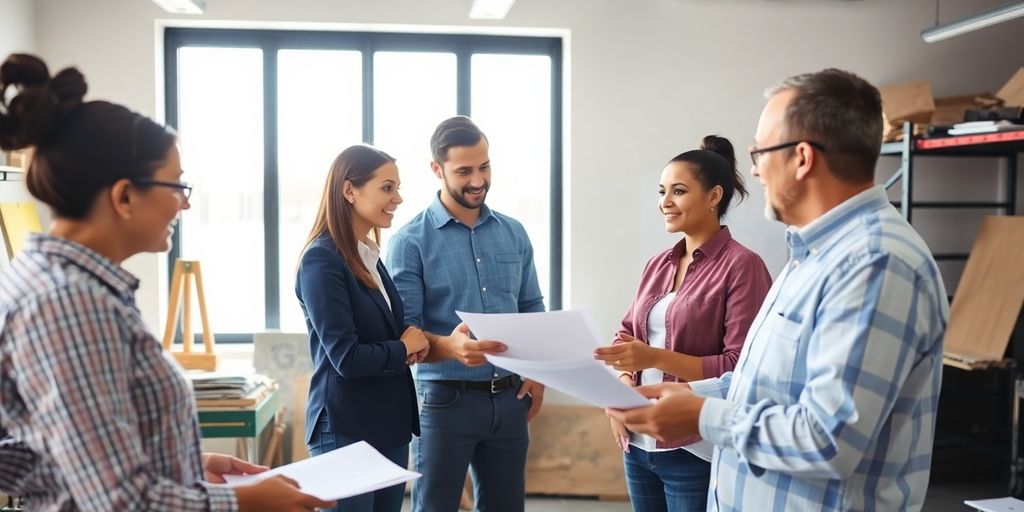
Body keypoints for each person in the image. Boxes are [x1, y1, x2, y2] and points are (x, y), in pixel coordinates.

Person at [0, 54, 333, 511]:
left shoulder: (57, 282)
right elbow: (118, 502)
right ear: (124, 196)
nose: (184, 205)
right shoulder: (70, 303)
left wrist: (185, 465)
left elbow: (52, 449)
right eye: (176, 186)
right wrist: (241, 503)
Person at [608, 68, 949, 511]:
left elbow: (829, 439)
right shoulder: (810, 257)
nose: (752, 169)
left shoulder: (876, 263)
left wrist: (702, 416)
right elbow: (762, 384)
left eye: (760, 151)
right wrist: (690, 395)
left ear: (802, 157)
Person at [594, 135, 771, 512]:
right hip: (637, 445)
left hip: (695, 448)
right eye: (662, 192)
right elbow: (626, 335)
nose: (665, 203)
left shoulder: (743, 266)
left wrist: (654, 357)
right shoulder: (658, 263)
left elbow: (740, 366)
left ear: (713, 196)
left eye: (678, 191)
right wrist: (622, 393)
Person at [386, 116, 545, 512]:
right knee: (436, 507)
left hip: (510, 400)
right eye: (464, 171)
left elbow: (531, 309)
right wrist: (451, 348)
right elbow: (406, 333)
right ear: (436, 169)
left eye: (484, 166)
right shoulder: (409, 242)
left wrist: (538, 374)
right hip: (444, 403)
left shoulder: (515, 232)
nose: (478, 180)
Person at [296, 144, 429, 512]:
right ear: (349, 190)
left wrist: (414, 343)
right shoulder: (321, 260)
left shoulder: (368, 256)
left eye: (397, 188)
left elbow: (387, 332)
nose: (398, 198)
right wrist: (402, 348)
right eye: (387, 187)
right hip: (344, 429)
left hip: (388, 425)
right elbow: (346, 358)